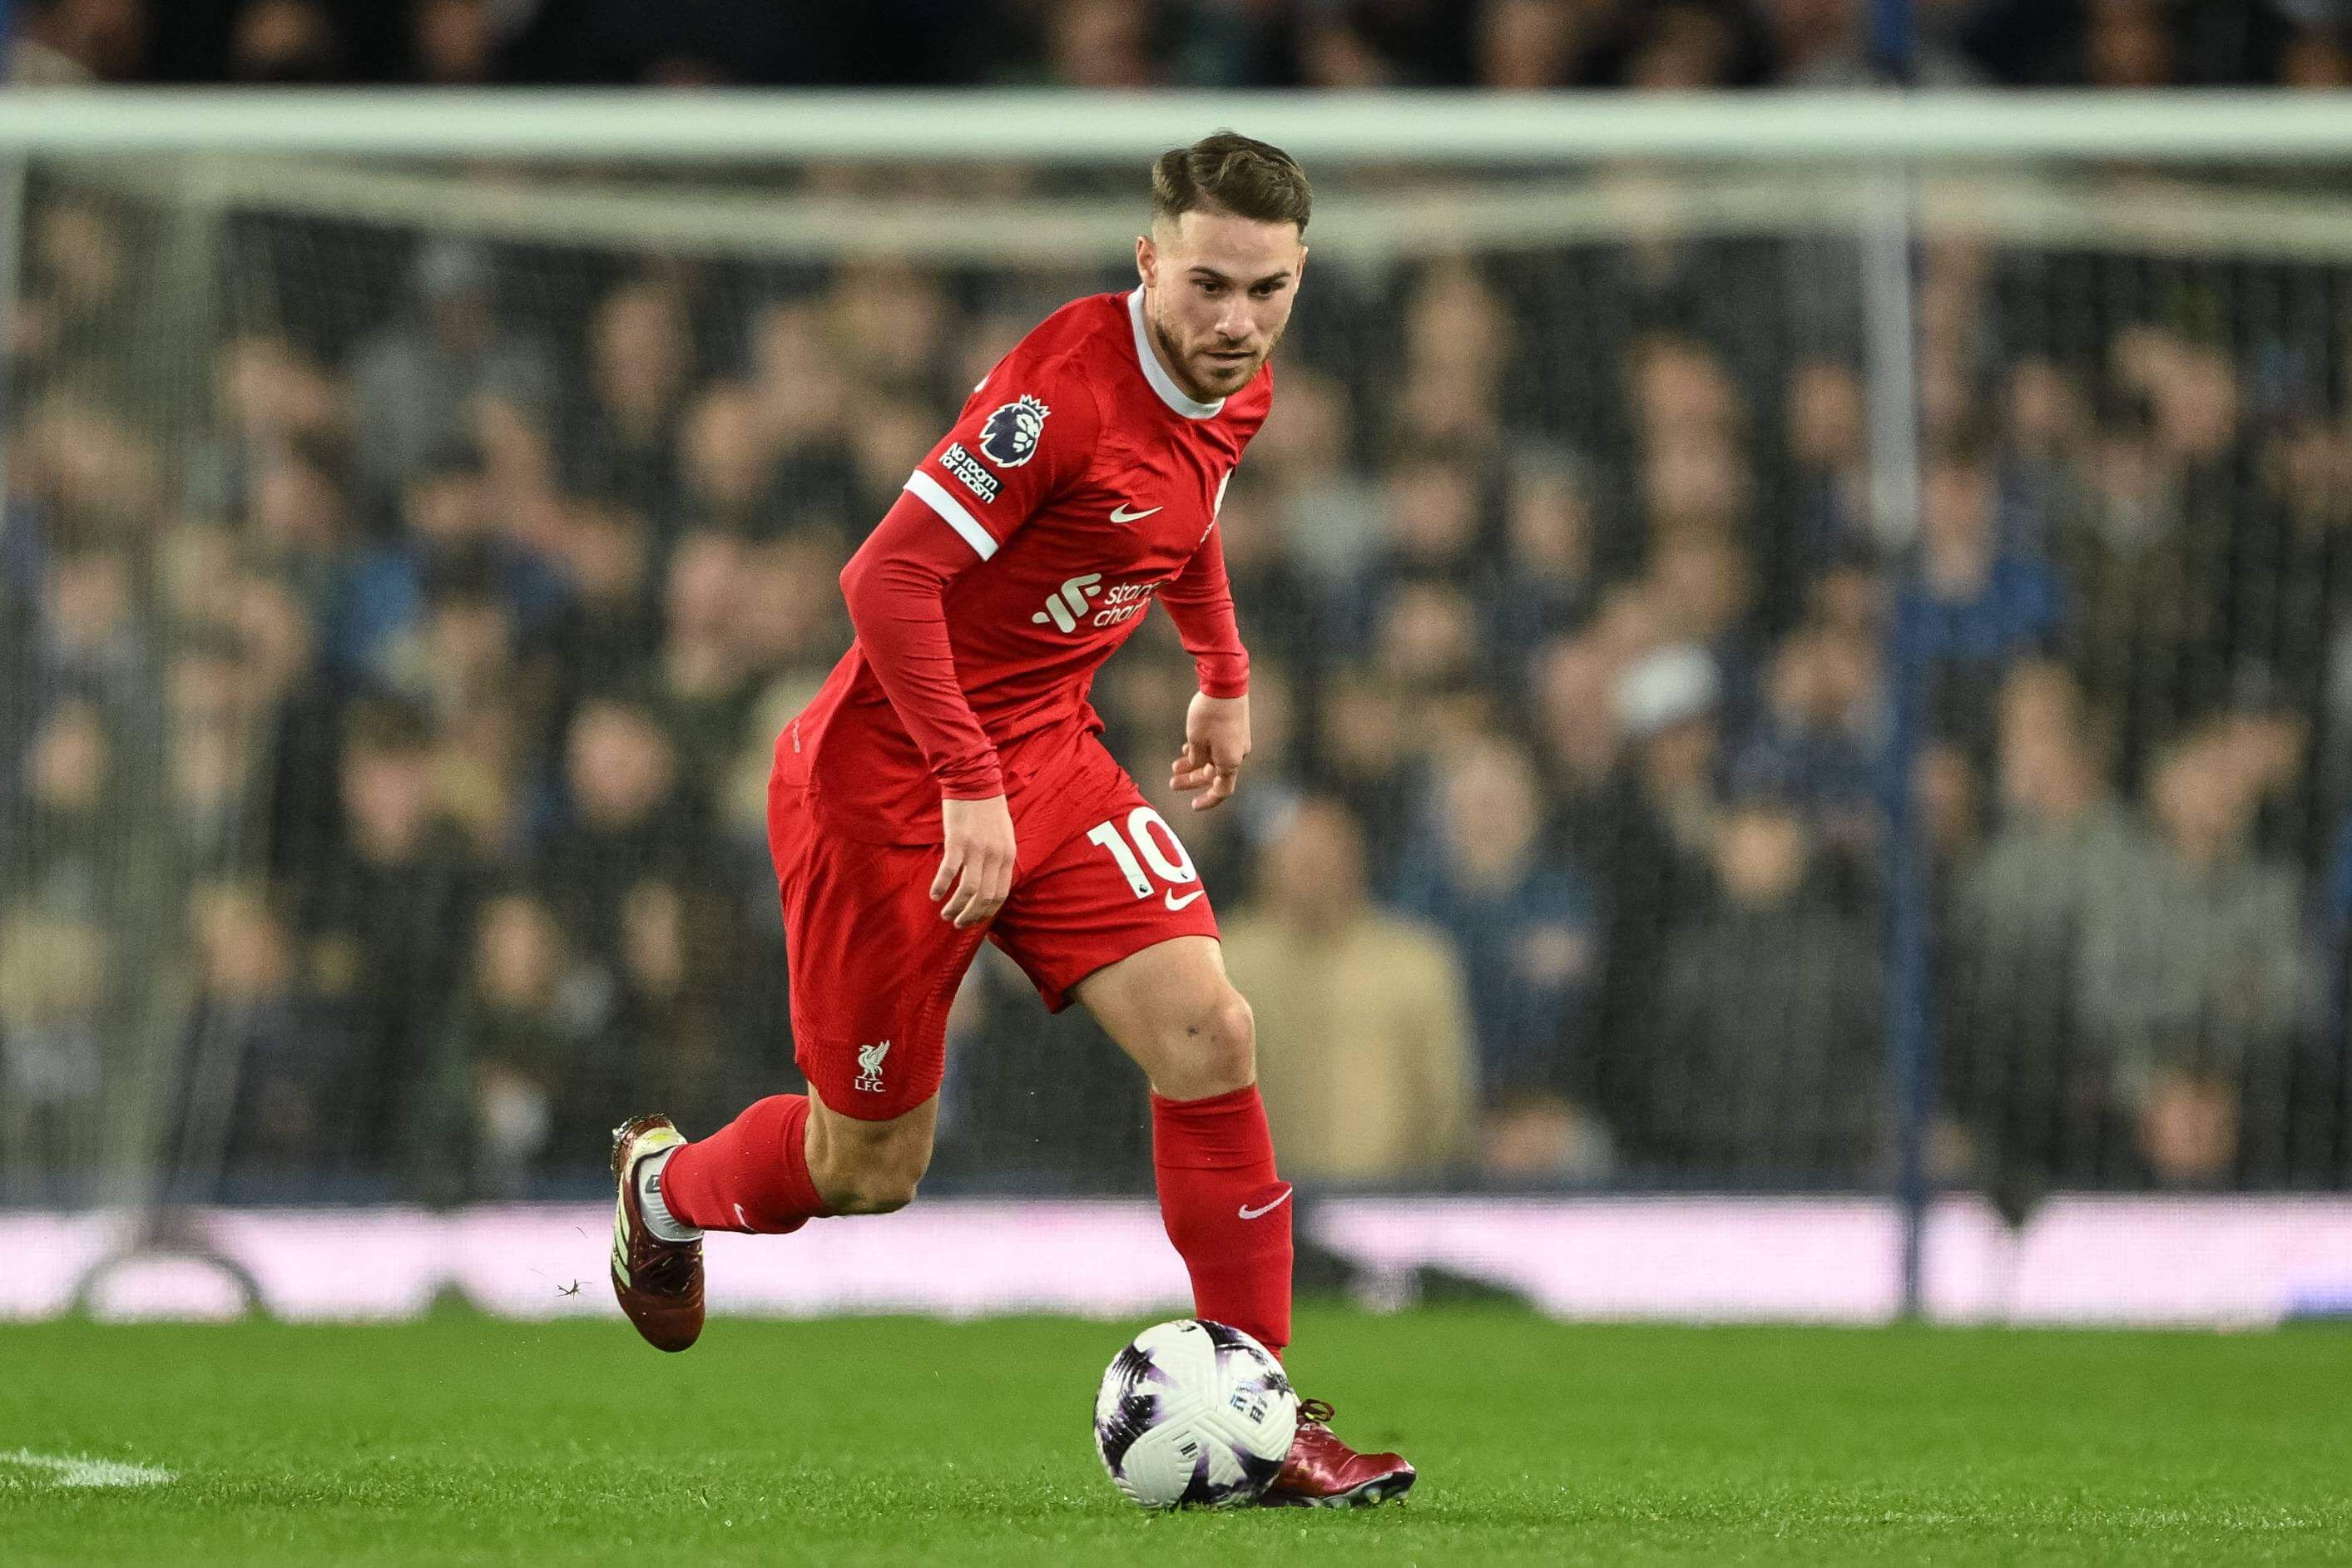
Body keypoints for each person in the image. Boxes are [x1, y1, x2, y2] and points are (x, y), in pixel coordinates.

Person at [605, 133, 1412, 1506]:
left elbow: (1187, 513)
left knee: (1213, 1029)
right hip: (886, 788)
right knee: (864, 1167)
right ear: (1148, 260)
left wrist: (1223, 669)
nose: (1236, 321)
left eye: (1267, 290)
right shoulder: (1066, 394)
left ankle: (1265, 1418)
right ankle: (663, 1193)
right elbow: (885, 580)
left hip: (1043, 755)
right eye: (1208, 284)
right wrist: (965, 782)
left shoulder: (1243, 379)